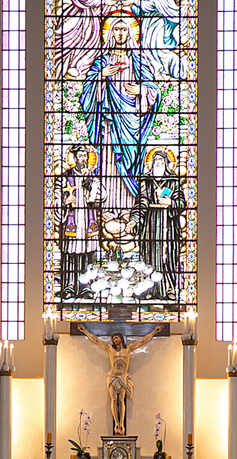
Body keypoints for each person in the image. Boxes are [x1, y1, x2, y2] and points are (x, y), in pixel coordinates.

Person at [80, 12, 160, 228]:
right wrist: (100, 75)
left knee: (129, 162)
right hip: (109, 123)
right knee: (109, 161)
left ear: (131, 33)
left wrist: (141, 89)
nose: (120, 33)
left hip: (131, 122)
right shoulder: (102, 61)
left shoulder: (138, 60)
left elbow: (154, 90)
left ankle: (127, 208)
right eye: (116, 29)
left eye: (124, 29)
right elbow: (86, 93)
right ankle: (108, 209)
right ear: (110, 33)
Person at [80, 324, 164, 435]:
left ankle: (122, 424)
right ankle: (116, 423)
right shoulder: (110, 349)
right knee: (114, 400)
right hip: (112, 377)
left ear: (121, 339)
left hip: (123, 377)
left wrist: (155, 331)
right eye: (113, 338)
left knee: (121, 400)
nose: (115, 340)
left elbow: (142, 341)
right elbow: (96, 340)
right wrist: (84, 331)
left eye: (117, 338)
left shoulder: (128, 349)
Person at [131, 147, 185, 299]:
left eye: (161, 160)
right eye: (156, 161)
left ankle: (168, 290)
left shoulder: (173, 181)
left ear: (167, 163)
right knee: (149, 257)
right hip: (150, 225)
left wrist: (170, 202)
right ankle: (150, 290)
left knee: (168, 257)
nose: (158, 163)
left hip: (169, 225)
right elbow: (141, 201)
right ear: (152, 163)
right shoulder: (146, 181)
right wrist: (135, 220)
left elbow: (182, 202)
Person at [55, 144, 104, 298]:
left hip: (87, 223)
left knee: (87, 255)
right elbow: (54, 198)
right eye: (80, 156)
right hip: (72, 222)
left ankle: (86, 287)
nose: (83, 159)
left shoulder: (91, 177)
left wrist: (90, 185)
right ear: (74, 158)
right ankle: (69, 287)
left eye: (85, 156)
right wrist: (64, 201)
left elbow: (103, 195)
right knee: (70, 255)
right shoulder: (65, 177)